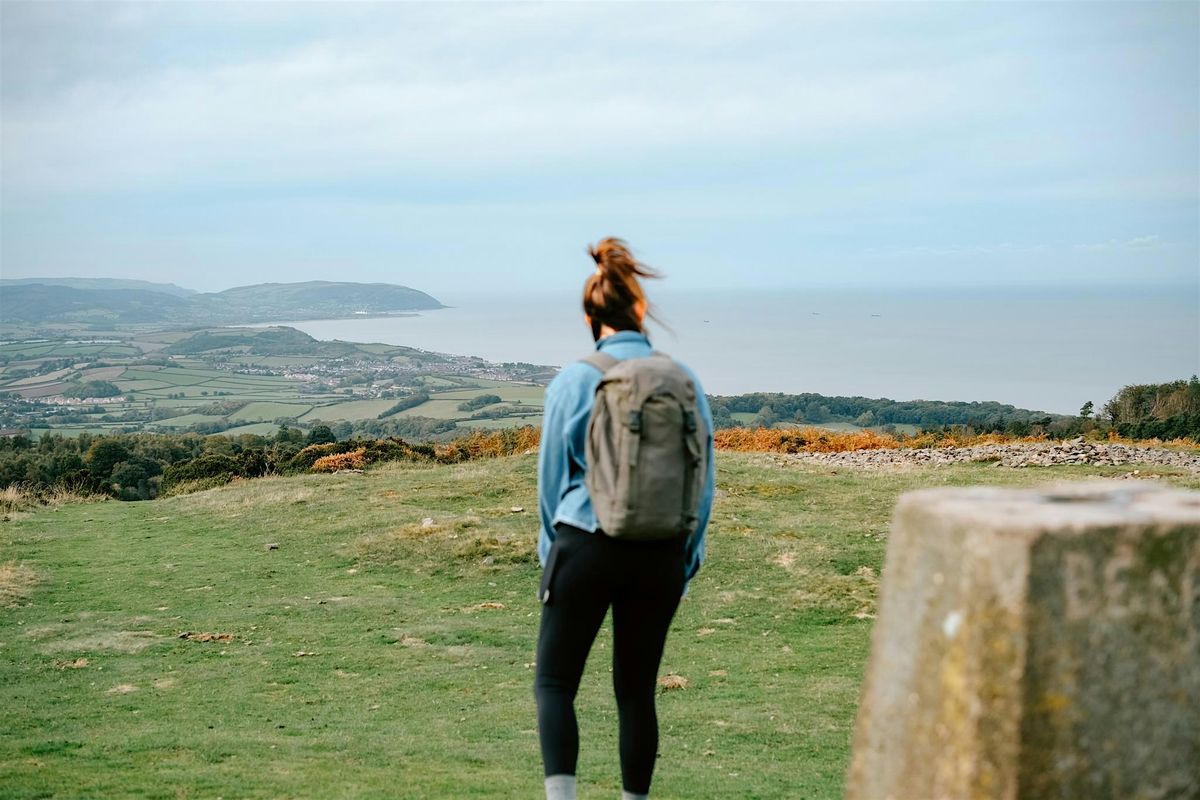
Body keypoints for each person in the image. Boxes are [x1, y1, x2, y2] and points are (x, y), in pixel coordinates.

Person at [534, 238, 716, 800]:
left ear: (591, 317)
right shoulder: (682, 380)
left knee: (556, 683)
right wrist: (685, 557)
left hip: (583, 545)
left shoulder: (574, 379)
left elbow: (551, 483)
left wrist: (552, 557)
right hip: (659, 550)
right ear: (640, 310)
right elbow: (702, 479)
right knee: (636, 692)